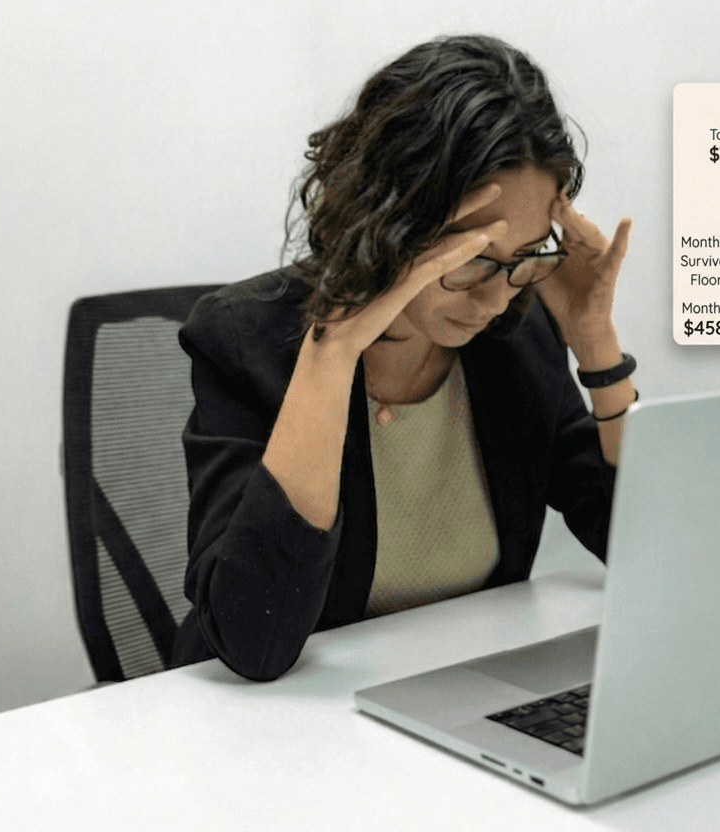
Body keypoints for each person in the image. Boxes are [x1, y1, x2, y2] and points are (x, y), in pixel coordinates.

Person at [170, 34, 636, 681]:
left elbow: (648, 551)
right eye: (471, 259)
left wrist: (595, 347)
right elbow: (254, 642)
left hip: (453, 697)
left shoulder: (515, 340)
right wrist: (332, 356)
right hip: (275, 731)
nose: (495, 299)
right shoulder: (243, 338)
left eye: (524, 259)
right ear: (387, 220)